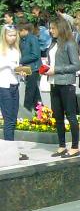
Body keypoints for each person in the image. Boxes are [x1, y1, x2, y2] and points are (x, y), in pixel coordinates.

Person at [44, 17, 80, 158]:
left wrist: (56, 69)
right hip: (54, 82)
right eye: (50, 28)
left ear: (61, 28)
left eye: (53, 28)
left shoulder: (69, 44)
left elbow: (76, 65)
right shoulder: (53, 43)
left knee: (70, 116)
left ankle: (75, 147)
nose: (51, 31)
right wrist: (47, 68)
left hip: (66, 84)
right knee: (58, 116)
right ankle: (61, 145)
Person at [0, 25, 29, 160]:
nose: (12, 38)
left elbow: (17, 67)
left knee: (13, 119)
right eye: (9, 35)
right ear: (4, 35)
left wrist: (21, 72)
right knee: (9, 120)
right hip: (3, 86)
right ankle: (9, 151)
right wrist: (10, 65)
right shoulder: (1, 49)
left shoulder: (16, 50)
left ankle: (10, 148)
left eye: (14, 35)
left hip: (14, 85)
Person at [18, 22, 42, 112]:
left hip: (34, 68)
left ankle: (26, 112)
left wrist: (20, 60)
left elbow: (35, 54)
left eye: (19, 31)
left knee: (29, 92)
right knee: (35, 93)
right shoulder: (22, 40)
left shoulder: (32, 39)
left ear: (25, 30)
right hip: (27, 68)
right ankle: (42, 112)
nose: (18, 33)